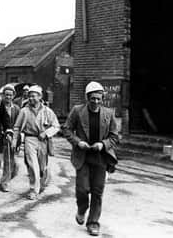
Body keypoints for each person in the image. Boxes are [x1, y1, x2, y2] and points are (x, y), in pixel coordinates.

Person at [62, 81, 119, 237]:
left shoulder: (109, 113)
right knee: (82, 189)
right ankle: (81, 209)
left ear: (102, 99)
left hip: (101, 158)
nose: (95, 102)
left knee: (97, 191)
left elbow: (114, 136)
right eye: (92, 98)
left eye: (98, 99)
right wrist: (78, 142)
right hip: (83, 157)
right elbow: (66, 129)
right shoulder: (77, 111)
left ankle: (93, 223)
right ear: (87, 98)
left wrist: (103, 144)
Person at [12, 84, 60, 200]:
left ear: (40, 97)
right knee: (32, 165)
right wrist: (14, 140)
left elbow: (56, 126)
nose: (31, 98)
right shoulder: (24, 111)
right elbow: (17, 127)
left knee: (42, 166)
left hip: (43, 140)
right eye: (30, 96)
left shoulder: (47, 111)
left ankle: (42, 178)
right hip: (30, 139)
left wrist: (46, 133)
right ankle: (34, 189)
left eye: (34, 96)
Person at [0, 83, 21, 192]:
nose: (8, 97)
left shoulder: (16, 109)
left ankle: (4, 181)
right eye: (6, 95)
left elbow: (18, 125)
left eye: (10, 95)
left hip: (12, 139)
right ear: (2, 95)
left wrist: (16, 139)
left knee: (11, 163)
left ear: (14, 96)